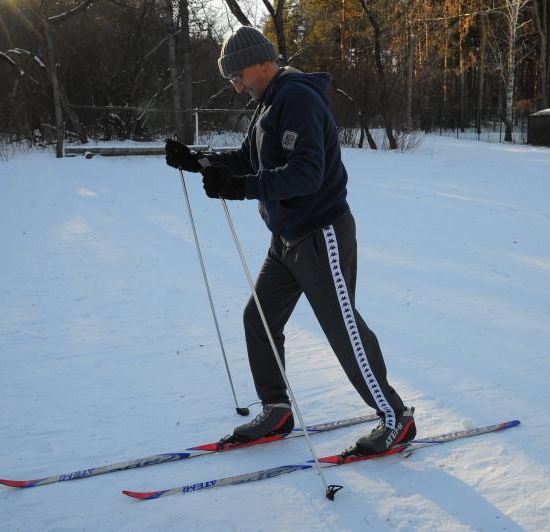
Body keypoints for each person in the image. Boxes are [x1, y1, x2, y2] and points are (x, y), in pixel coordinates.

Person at [165, 26, 415, 456]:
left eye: (238, 74)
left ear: (263, 62)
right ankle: (277, 409)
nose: (235, 84)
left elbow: (307, 173)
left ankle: (396, 418)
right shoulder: (268, 103)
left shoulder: (296, 98)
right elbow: (248, 159)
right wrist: (199, 160)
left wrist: (239, 188)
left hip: (321, 235)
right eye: (231, 78)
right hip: (285, 239)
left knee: (343, 329)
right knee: (259, 318)